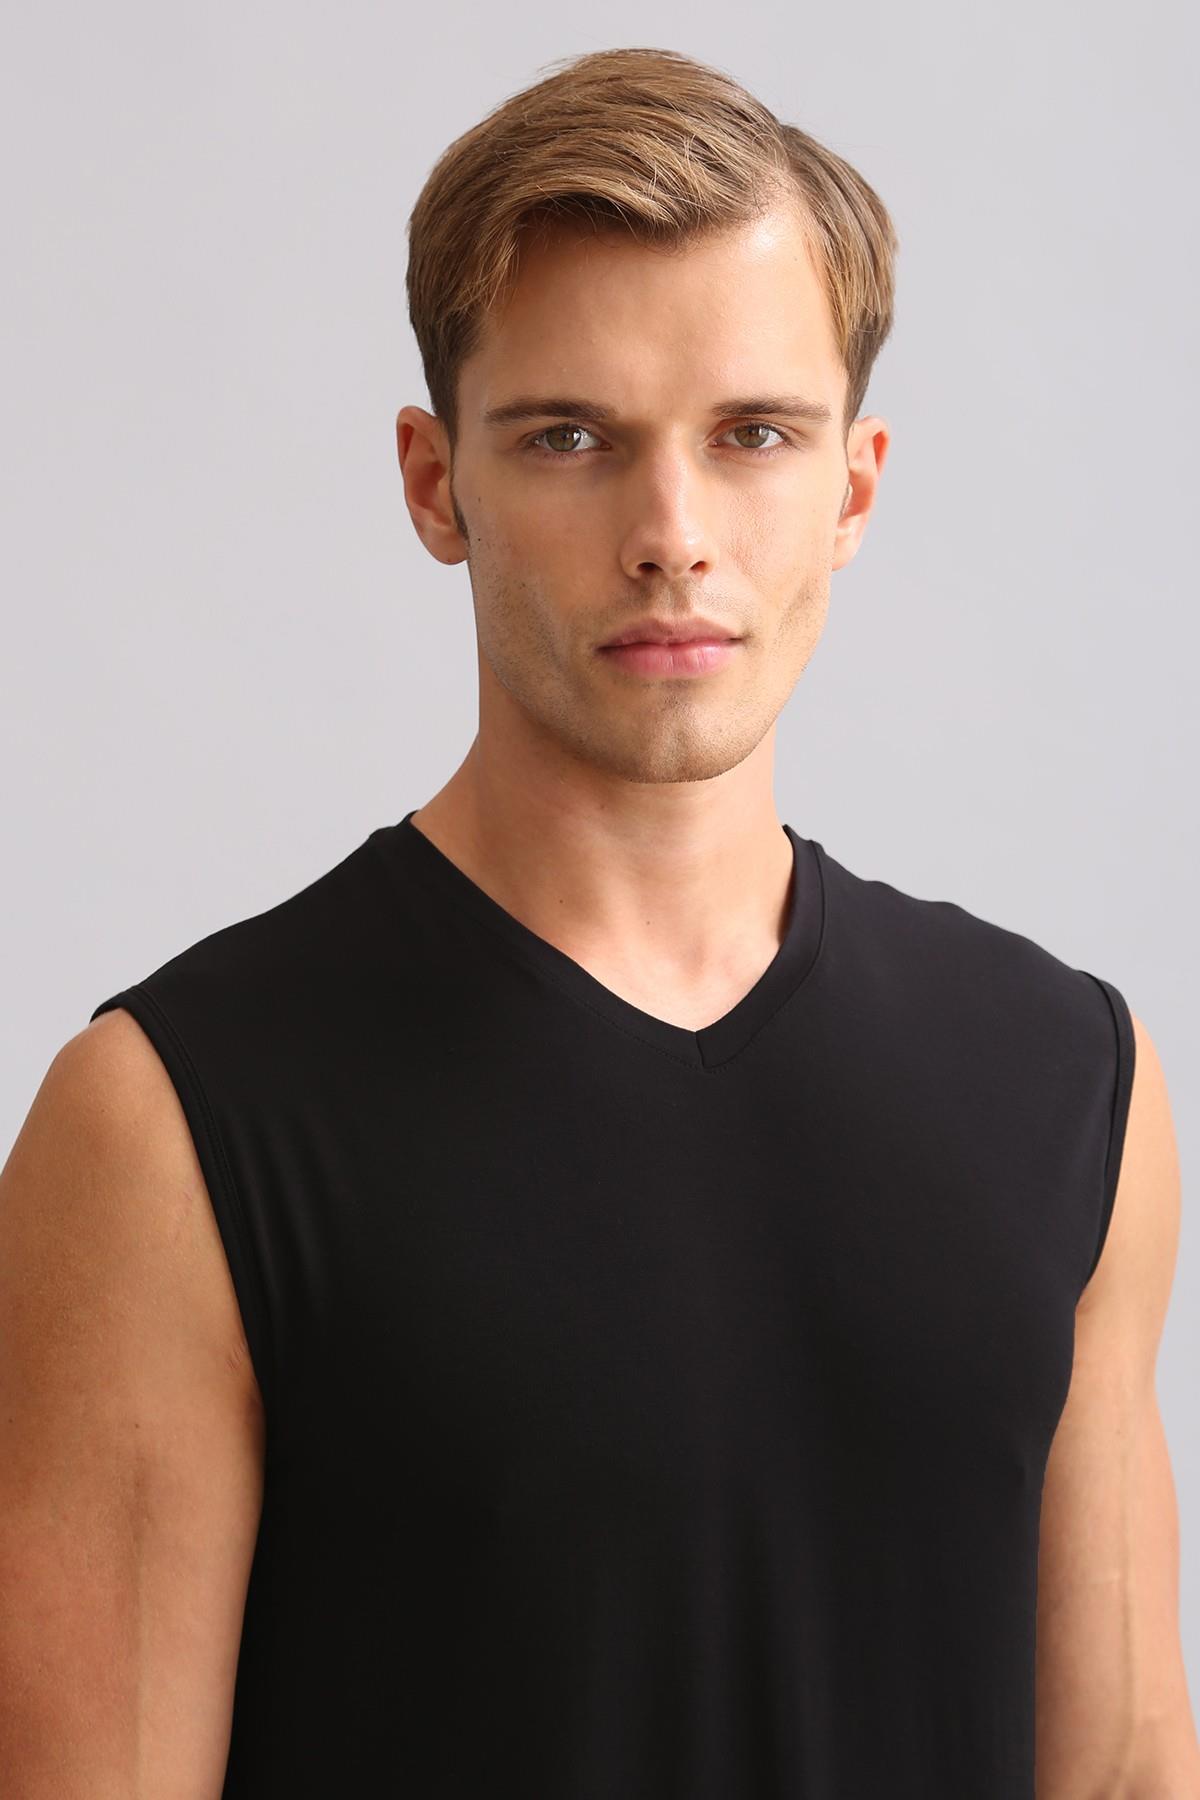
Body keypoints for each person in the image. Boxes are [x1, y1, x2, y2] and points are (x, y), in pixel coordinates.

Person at [1, 43, 1195, 1799]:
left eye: (754, 436)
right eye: (571, 438)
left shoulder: (1071, 1081)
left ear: (854, 486)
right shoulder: (169, 1125)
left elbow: (1123, 1772)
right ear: (435, 483)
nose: (671, 534)